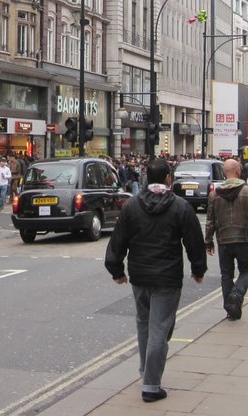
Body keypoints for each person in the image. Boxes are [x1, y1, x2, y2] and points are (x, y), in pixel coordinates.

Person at [104, 159, 207, 403]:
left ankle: (145, 369)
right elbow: (194, 240)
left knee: (145, 324)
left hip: (140, 276)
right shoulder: (180, 206)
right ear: (168, 178)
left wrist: (116, 269)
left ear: (146, 178)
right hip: (167, 277)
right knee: (160, 328)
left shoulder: (131, 206)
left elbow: (118, 241)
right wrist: (198, 269)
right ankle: (151, 385)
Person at [204, 158, 248, 320]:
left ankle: (231, 310)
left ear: (224, 172)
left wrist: (208, 241)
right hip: (243, 239)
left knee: (226, 275)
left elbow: (210, 220)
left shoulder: (214, 194)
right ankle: (236, 294)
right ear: (238, 171)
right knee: (247, 271)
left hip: (223, 241)